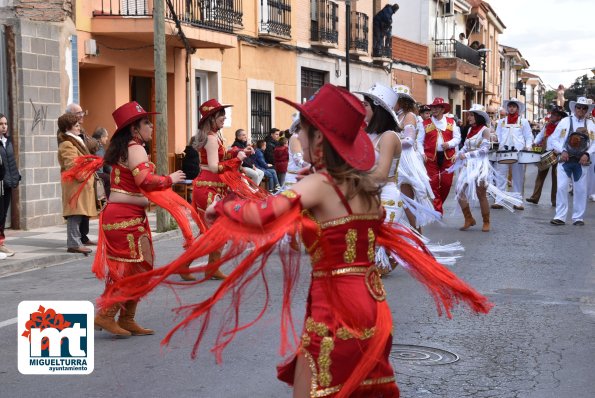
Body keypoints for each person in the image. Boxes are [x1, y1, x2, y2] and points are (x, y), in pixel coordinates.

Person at [99, 84, 492, 397]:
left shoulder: (321, 184)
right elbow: (331, 235)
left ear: (320, 142)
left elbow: (262, 215)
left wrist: (222, 211)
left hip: (335, 307)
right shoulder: (365, 189)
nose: (296, 138)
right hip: (373, 306)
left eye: (302, 131)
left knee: (316, 387)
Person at [191, 99, 251, 280]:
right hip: (208, 188)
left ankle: (211, 267)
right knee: (216, 230)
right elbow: (215, 166)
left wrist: (236, 152)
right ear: (212, 118)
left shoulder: (214, 136)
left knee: (215, 231)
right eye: (221, 115)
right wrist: (237, 159)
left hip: (213, 187)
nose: (224, 118)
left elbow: (221, 156)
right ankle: (189, 266)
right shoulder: (210, 138)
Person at [452, 105, 523, 232]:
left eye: (471, 115)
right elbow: (466, 146)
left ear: (478, 117)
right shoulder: (469, 130)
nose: (468, 117)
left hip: (480, 165)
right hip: (468, 165)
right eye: (469, 115)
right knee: (459, 191)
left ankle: (486, 221)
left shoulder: (485, 130)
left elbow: (485, 150)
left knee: (481, 194)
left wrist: (466, 155)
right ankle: (468, 218)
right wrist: (457, 154)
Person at [392, 85, 438, 230]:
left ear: (401, 101)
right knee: (397, 201)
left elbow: (409, 141)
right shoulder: (396, 116)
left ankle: (418, 236)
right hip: (396, 158)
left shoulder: (409, 116)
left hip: (405, 161)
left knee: (407, 202)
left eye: (394, 99)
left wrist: (390, 143)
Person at [548, 97, 595, 226]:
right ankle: (560, 216)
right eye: (579, 107)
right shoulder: (564, 121)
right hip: (565, 160)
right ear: (574, 108)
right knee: (562, 187)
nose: (581, 110)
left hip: (581, 162)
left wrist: (587, 153)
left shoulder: (591, 124)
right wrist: (562, 150)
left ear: (587, 110)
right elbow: (553, 139)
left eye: (584, 108)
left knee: (580, 190)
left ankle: (578, 217)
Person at [57, 114, 97, 255]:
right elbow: (72, 165)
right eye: (76, 125)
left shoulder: (75, 140)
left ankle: (80, 239)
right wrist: (87, 170)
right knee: (75, 214)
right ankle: (74, 243)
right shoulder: (67, 144)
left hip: (81, 183)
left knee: (81, 214)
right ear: (68, 128)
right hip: (75, 184)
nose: (79, 127)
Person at [417, 98, 461, 214]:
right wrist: (422, 153)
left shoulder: (451, 122)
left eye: (437, 107)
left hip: (448, 157)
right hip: (431, 157)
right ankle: (437, 210)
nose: (434, 109)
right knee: (433, 183)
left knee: (446, 183)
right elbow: (419, 141)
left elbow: (457, 138)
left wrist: (450, 144)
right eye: (433, 107)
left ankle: (438, 203)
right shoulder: (425, 124)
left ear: (442, 109)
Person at [493, 98, 533, 210]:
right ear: (507, 108)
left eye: (514, 106)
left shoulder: (523, 121)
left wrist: (528, 146)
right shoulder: (501, 122)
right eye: (510, 106)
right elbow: (498, 136)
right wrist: (496, 142)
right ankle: (499, 200)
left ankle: (518, 201)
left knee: (518, 177)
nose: (511, 108)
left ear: (517, 108)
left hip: (518, 152)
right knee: (500, 176)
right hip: (503, 151)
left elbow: (528, 136)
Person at [66, 103, 97, 245]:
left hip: (85, 176)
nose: (82, 115)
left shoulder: (79, 132)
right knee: (76, 211)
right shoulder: (66, 138)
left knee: (84, 210)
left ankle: (82, 237)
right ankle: (74, 242)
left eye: (82, 112)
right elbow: (71, 161)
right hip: (77, 178)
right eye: (78, 113)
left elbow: (90, 146)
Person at [526, 107, 568, 207]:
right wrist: (534, 143)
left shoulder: (563, 127)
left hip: (557, 153)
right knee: (540, 175)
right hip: (546, 152)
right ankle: (535, 197)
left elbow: (564, 140)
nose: (551, 116)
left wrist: (560, 150)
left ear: (559, 117)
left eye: (554, 114)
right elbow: (540, 135)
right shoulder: (547, 125)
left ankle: (554, 200)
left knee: (556, 178)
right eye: (552, 114)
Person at [0, 113, 20, 257]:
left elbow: (11, 161)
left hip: (7, 183)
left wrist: (16, 176)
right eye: (1, 124)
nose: (4, 126)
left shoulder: (8, 141)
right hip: (0, 183)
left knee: (2, 215)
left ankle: (1, 243)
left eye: (5, 124)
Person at [285, 114, 310, 187]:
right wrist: (313, 167)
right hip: (294, 178)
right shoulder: (295, 138)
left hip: (304, 177)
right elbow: (298, 160)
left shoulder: (306, 137)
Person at [92, 127, 111, 198]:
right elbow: (99, 164)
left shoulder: (95, 144)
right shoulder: (98, 146)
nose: (107, 138)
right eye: (106, 137)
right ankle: (107, 201)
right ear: (101, 137)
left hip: (96, 173)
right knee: (108, 178)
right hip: (97, 174)